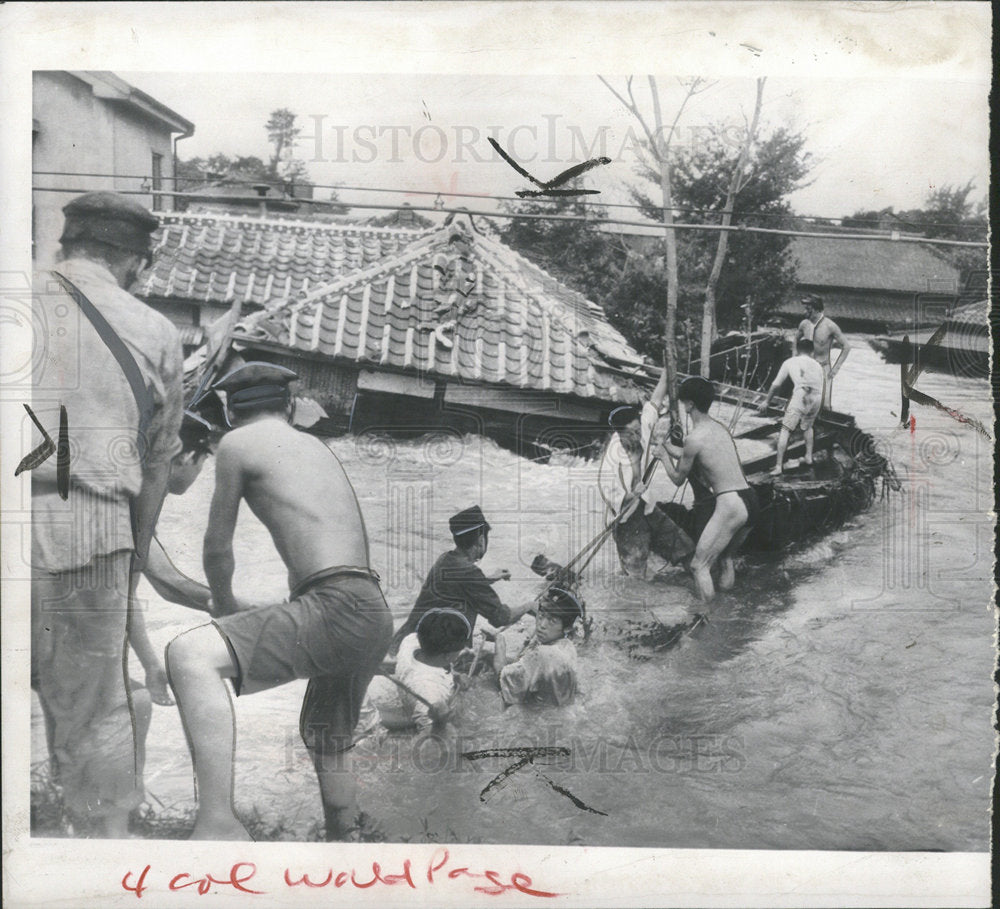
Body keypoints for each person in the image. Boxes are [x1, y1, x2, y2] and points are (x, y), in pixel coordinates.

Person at [164, 362, 393, 841]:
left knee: (189, 655)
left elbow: (216, 548)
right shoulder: (315, 445)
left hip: (335, 605)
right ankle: (346, 836)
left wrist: (224, 602)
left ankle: (217, 823)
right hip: (370, 608)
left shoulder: (236, 443)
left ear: (230, 411)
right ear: (288, 405)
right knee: (325, 736)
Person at [30, 191, 183, 837]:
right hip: (91, 526)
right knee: (93, 714)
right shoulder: (153, 329)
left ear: (66, 247)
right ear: (132, 261)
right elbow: (156, 468)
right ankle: (103, 860)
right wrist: (135, 554)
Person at [653, 376, 759, 602]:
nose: (683, 407)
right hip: (750, 498)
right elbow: (697, 454)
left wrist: (663, 457)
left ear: (690, 404)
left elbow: (678, 479)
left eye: (684, 404)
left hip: (730, 504)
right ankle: (726, 612)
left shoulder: (694, 438)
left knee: (698, 566)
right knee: (725, 558)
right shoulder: (718, 429)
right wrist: (670, 448)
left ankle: (707, 622)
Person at [390, 506, 531, 652]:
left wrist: (488, 579)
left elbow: (458, 584)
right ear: (481, 540)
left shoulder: (445, 558)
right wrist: (529, 606)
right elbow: (501, 618)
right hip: (428, 651)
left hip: (406, 641)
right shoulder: (469, 573)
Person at [602, 369, 695, 576]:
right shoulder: (611, 464)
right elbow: (613, 500)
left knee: (687, 551)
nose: (637, 436)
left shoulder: (642, 426)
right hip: (626, 519)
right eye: (630, 434)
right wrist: (633, 493)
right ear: (618, 434)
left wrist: (667, 369)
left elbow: (656, 399)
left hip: (648, 506)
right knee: (636, 577)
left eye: (637, 431)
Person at [367, 608, 470, 739]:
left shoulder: (411, 642)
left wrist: (455, 675)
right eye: (460, 649)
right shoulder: (431, 693)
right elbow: (429, 739)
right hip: (399, 710)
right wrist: (440, 724)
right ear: (448, 655)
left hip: (394, 689)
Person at [493, 588, 581, 708]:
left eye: (552, 621)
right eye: (541, 616)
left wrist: (499, 644)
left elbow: (502, 681)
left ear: (567, 628)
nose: (542, 625)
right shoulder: (568, 647)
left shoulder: (541, 654)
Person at [758, 337, 826, 476]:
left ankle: (778, 467)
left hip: (802, 394)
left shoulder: (790, 362)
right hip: (817, 397)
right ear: (812, 351)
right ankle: (808, 457)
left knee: (786, 429)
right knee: (807, 426)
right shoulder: (817, 365)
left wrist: (766, 401)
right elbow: (822, 385)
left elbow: (776, 384)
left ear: (797, 350)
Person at [796, 294, 851, 409]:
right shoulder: (804, 324)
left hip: (823, 368)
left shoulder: (830, 326)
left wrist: (835, 368)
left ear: (816, 309)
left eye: (807, 309)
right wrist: (795, 358)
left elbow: (846, 346)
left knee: (824, 404)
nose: (804, 312)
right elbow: (795, 340)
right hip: (806, 368)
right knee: (803, 401)